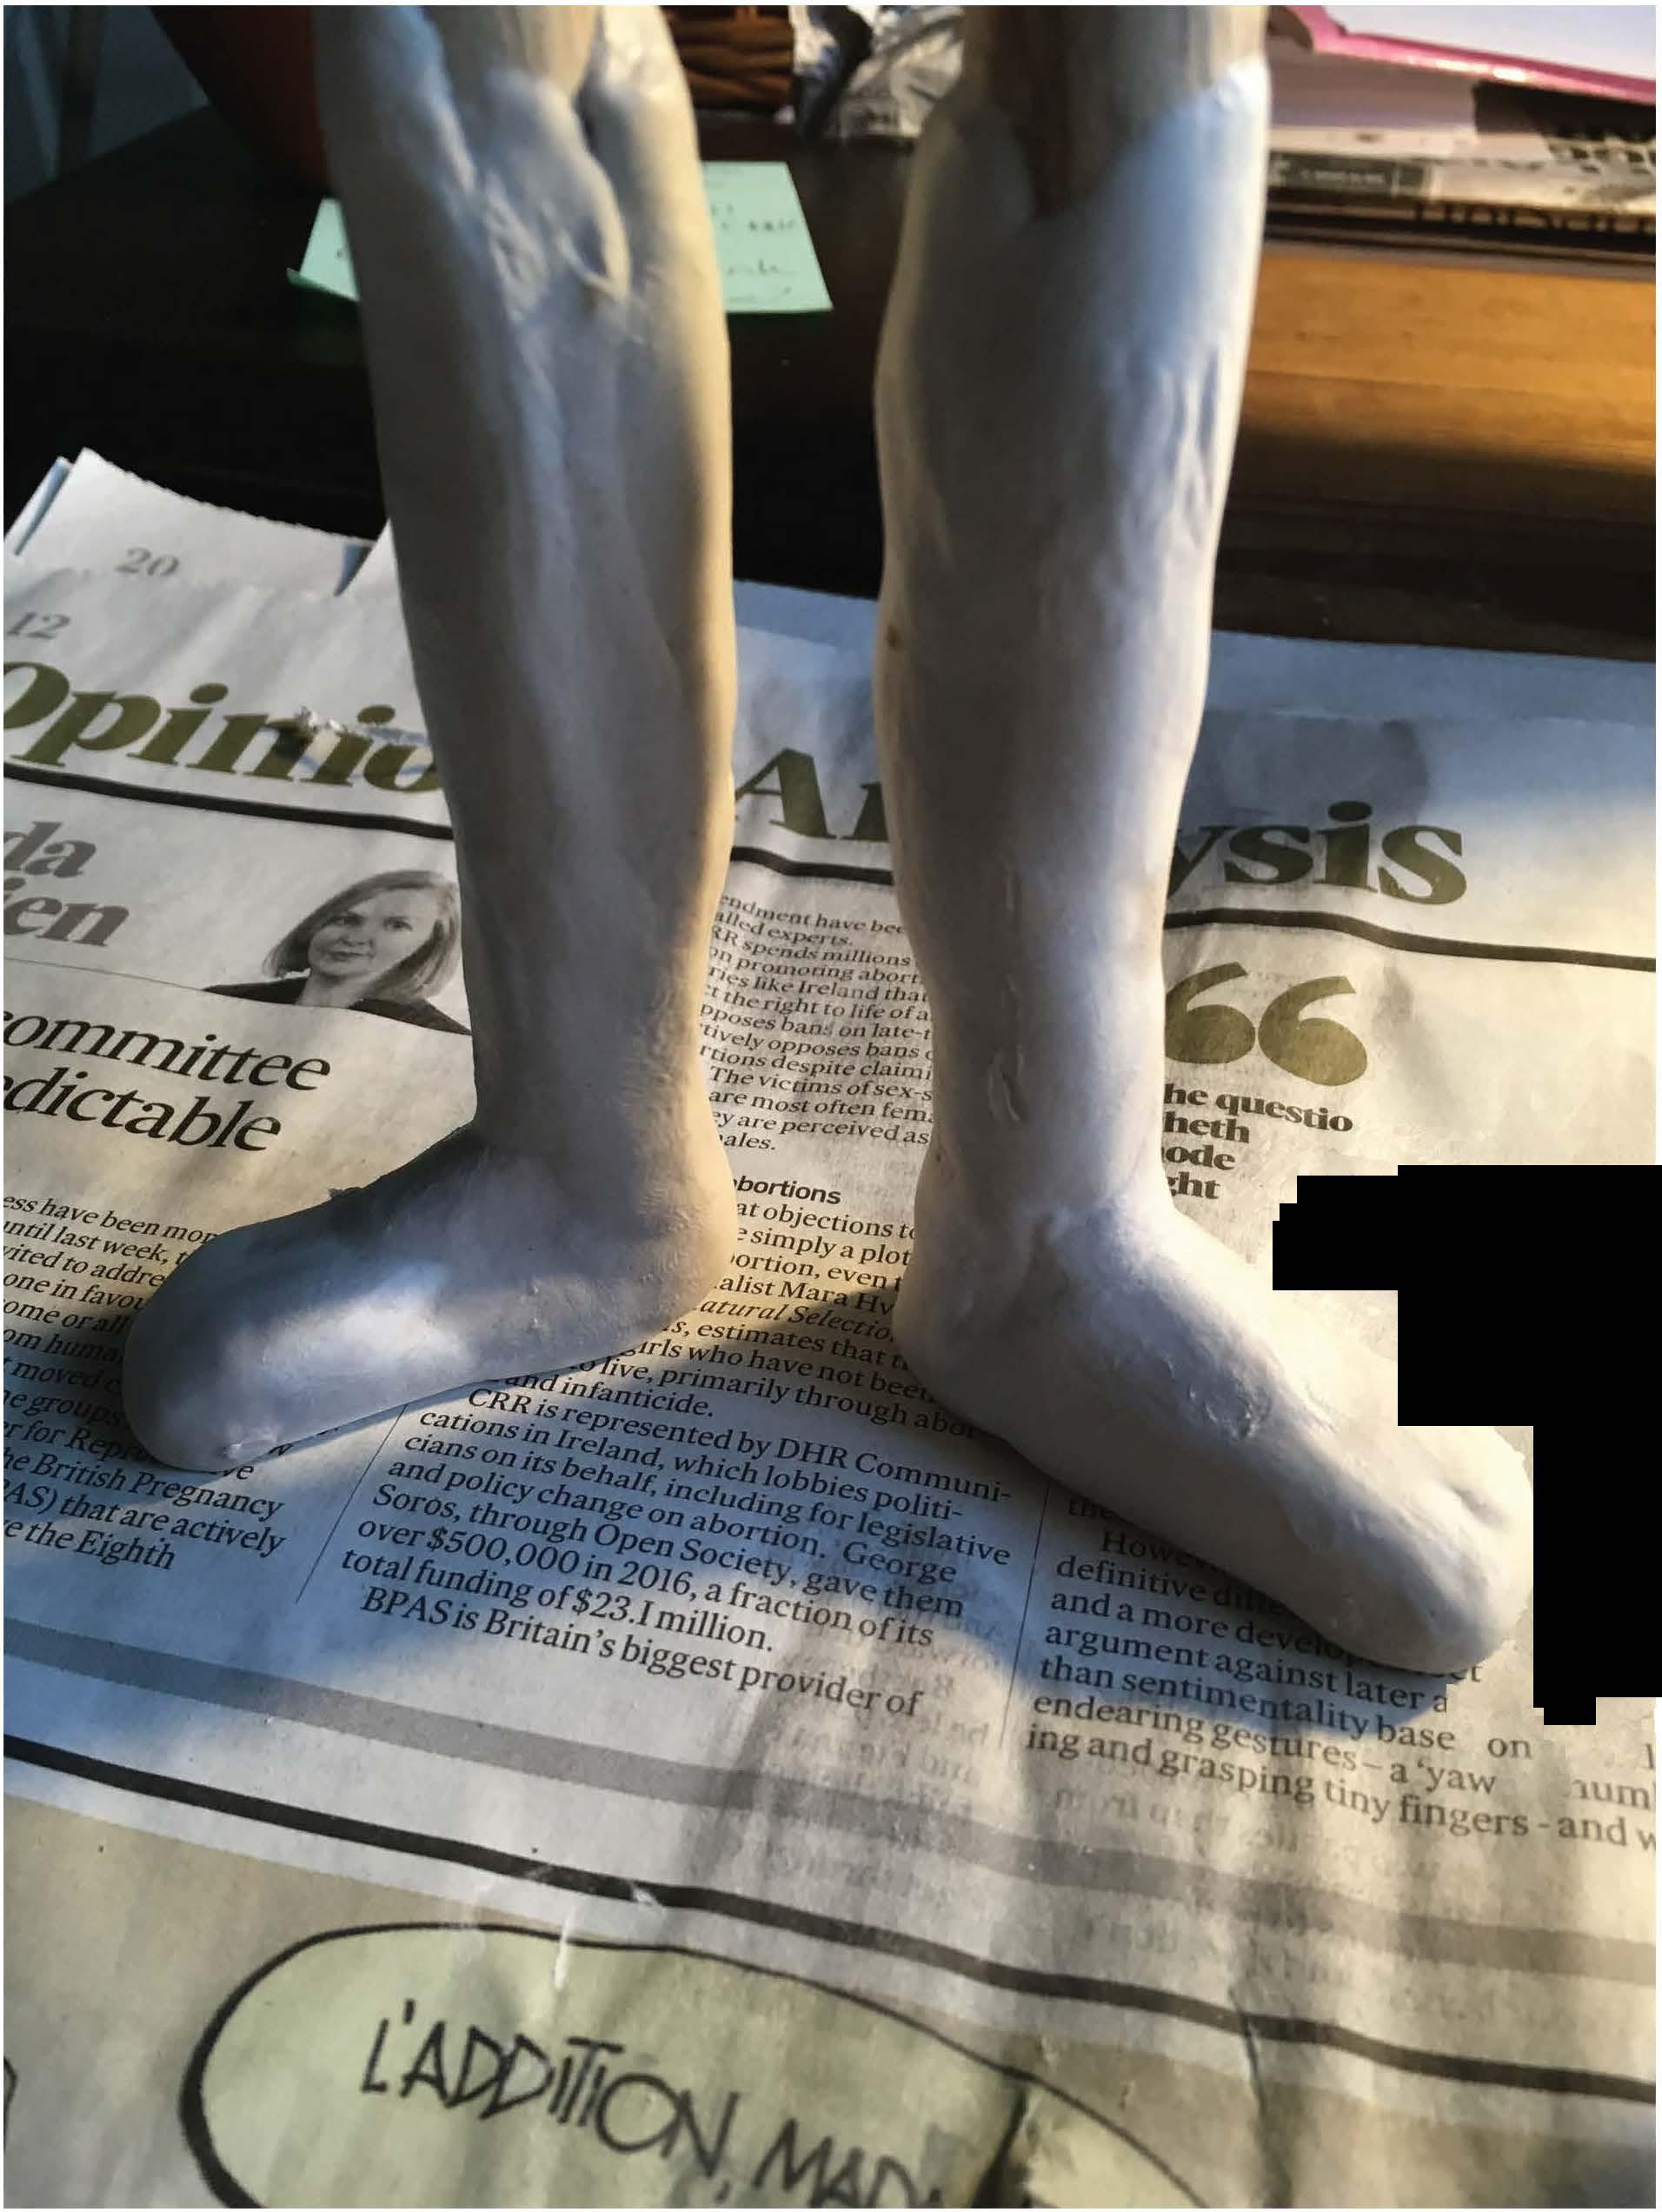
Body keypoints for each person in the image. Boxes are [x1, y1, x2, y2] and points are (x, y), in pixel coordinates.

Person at [207, 869, 467, 1033]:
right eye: (345, 919)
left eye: (396, 925)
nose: (355, 938)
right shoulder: (219, 1002)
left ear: (430, 945)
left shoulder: (444, 1039)